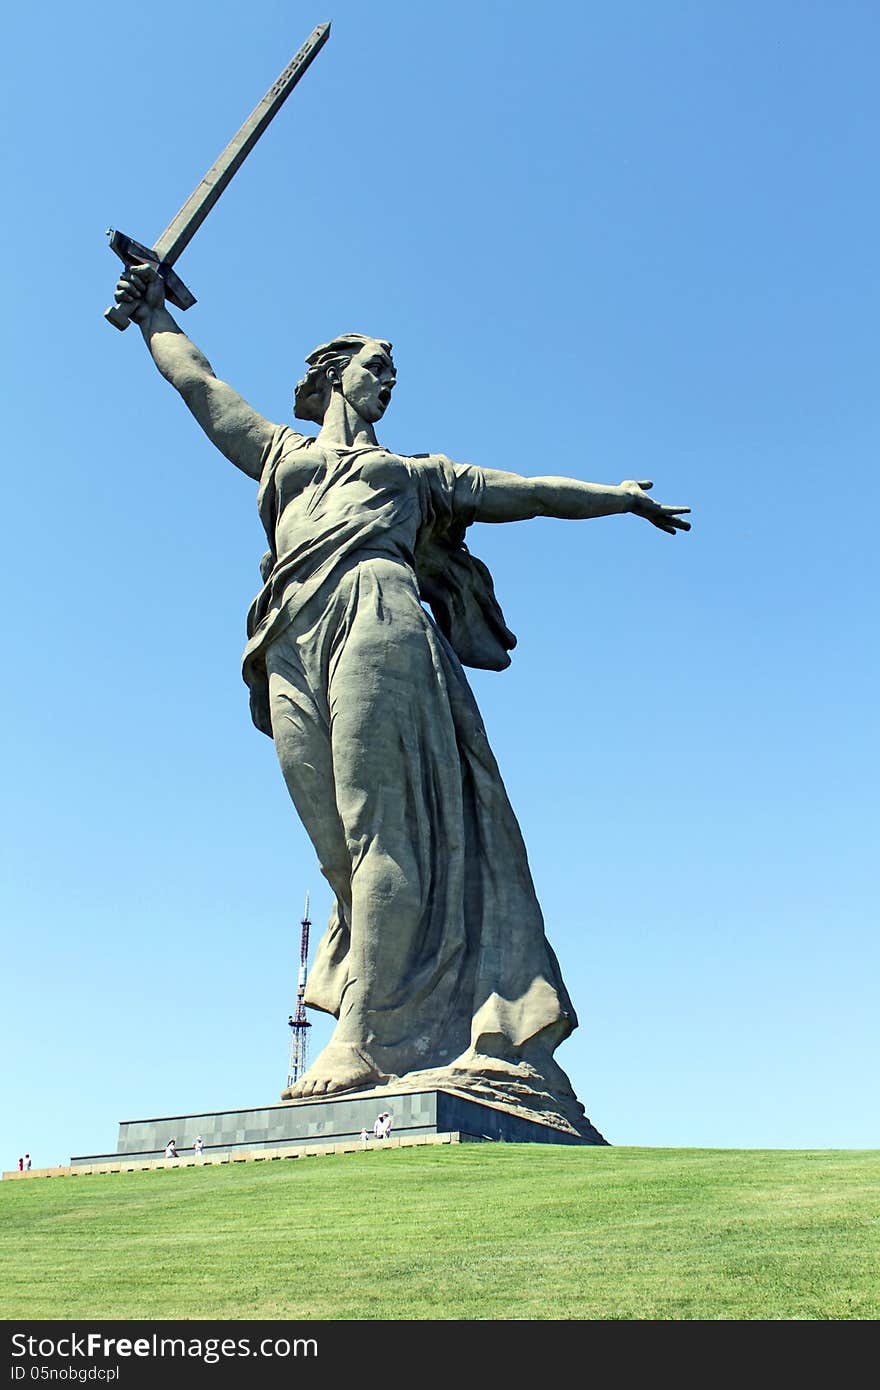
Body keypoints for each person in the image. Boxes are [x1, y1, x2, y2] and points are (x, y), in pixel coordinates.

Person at [113, 266, 690, 1129]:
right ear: (332, 374)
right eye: (376, 366)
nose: (387, 380)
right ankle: (397, 1004)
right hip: (285, 634)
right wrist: (153, 310)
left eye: (394, 373)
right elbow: (198, 383)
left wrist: (616, 498)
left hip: (377, 611)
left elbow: (523, 493)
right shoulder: (281, 455)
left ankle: (362, 1039)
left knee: (379, 822)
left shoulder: (414, 476)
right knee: (338, 849)